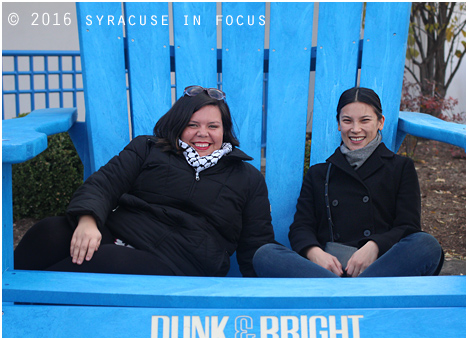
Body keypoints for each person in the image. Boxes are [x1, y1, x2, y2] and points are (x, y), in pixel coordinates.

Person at [15, 85, 276, 277]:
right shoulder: (148, 149)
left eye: (213, 126)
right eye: (192, 124)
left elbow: (256, 244)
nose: (202, 134)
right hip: (122, 233)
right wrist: (88, 220)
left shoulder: (247, 178)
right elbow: (105, 183)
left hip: (182, 261)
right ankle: (10, 303)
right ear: (177, 125)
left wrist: (258, 299)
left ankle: (25, 317)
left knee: (106, 261)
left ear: (225, 131)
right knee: (49, 233)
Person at [253, 87, 443, 278]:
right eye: (347, 121)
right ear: (338, 124)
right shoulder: (319, 173)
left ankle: (342, 295)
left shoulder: (400, 168)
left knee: (426, 245)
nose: (355, 129)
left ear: (380, 122)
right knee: (265, 255)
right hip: (329, 270)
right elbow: (301, 227)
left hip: (381, 269)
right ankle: (348, 293)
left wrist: (374, 246)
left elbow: (408, 227)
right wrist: (315, 254)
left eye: (365, 120)